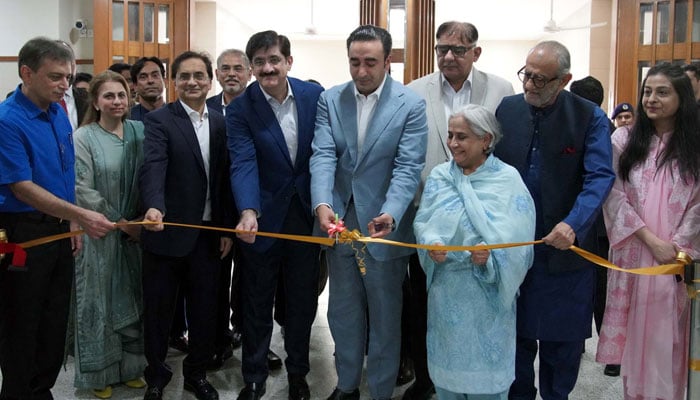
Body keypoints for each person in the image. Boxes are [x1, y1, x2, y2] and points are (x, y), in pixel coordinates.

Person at [310, 25, 428, 400]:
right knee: (342, 314)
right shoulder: (331, 100)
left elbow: (408, 167)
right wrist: (322, 203)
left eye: (371, 63)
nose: (362, 71)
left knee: (385, 318)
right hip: (340, 224)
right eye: (355, 62)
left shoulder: (410, 104)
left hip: (383, 229)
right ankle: (346, 386)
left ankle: (379, 391)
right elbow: (323, 155)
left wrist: (391, 213)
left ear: (387, 62)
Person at [493, 40, 615, 400]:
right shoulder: (507, 109)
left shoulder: (590, 116)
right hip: (514, 249)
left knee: (562, 346)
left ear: (564, 80)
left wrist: (573, 223)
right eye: (526, 75)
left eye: (540, 79)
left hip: (565, 251)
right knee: (516, 341)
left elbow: (599, 178)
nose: (529, 85)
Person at [0, 36, 114, 400]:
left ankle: (41, 389)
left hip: (59, 230)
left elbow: (64, 175)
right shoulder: (8, 121)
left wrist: (71, 222)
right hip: (23, 235)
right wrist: (81, 214)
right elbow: (22, 187)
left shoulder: (59, 111)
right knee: (21, 322)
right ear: (26, 73)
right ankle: (18, 393)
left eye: (68, 76)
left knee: (53, 320)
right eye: (55, 77)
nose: (65, 85)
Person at [405, 20, 514, 399]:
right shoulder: (415, 91)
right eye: (441, 49)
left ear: (476, 52)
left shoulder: (501, 90)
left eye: (458, 49)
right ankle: (427, 378)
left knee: (484, 318)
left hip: (487, 221)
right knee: (423, 308)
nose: (448, 56)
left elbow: (506, 154)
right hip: (431, 209)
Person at [414, 104, 535, 400]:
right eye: (450, 136)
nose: (453, 144)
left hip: (489, 297)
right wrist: (433, 244)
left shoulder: (507, 179)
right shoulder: (441, 176)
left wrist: (491, 255)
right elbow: (424, 222)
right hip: (447, 293)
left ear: (486, 140)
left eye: (462, 137)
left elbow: (519, 237)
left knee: (488, 386)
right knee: (448, 381)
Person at [227, 30, 323, 400]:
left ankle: (298, 373)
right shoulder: (240, 108)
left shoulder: (315, 96)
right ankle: (254, 377)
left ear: (288, 62)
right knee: (255, 301)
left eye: (274, 60)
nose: (268, 68)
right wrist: (248, 210)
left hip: (304, 216)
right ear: (252, 68)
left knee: (302, 301)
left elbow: (325, 153)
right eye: (260, 62)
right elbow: (243, 162)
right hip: (262, 219)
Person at [596, 62, 700, 400]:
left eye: (662, 92)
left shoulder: (694, 143)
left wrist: (677, 246)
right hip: (634, 252)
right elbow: (612, 194)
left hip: (674, 259)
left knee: (666, 336)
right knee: (635, 335)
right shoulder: (624, 138)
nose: (651, 99)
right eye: (647, 91)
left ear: (682, 97)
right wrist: (650, 240)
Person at [139, 50, 234, 400]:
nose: (192, 82)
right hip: (164, 234)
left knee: (206, 310)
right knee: (159, 312)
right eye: (184, 76)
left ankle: (197, 374)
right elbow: (153, 166)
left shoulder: (224, 122)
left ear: (210, 80)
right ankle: (157, 375)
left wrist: (225, 228)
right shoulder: (161, 120)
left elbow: (225, 180)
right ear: (173, 81)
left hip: (209, 237)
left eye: (199, 75)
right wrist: (153, 206)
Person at [69, 70, 146, 398]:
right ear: (96, 102)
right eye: (109, 96)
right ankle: (99, 375)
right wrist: (118, 221)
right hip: (99, 233)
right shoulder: (83, 138)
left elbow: (154, 176)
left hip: (137, 235)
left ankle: (131, 369)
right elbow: (82, 189)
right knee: (99, 303)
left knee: (134, 298)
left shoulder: (141, 131)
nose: (117, 101)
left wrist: (140, 221)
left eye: (122, 95)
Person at [203, 48, 254, 370]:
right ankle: (217, 341)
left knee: (252, 284)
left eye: (238, 68)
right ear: (217, 75)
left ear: (249, 73)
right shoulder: (204, 110)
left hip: (253, 212)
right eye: (225, 69)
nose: (232, 73)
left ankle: (252, 342)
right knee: (215, 283)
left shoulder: (260, 108)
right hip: (215, 213)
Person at [569, 75, 620, 377]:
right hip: (591, 225)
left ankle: (604, 351)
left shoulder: (603, 131)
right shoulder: (606, 129)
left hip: (595, 225)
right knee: (597, 290)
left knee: (596, 290)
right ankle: (599, 350)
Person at [130, 57, 166, 121]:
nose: (150, 81)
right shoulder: (127, 119)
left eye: (155, 75)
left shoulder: (178, 116)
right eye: (143, 77)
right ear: (135, 86)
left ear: (164, 81)